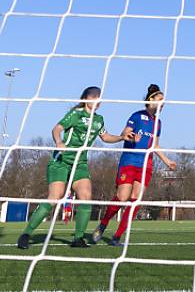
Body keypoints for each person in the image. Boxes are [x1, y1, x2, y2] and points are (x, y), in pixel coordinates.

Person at [18, 86, 134, 249]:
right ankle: (25, 234)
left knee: (86, 196)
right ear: (87, 99)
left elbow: (105, 136)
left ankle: (78, 239)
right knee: (54, 198)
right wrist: (59, 141)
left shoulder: (99, 120)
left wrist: (121, 137)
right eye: (94, 97)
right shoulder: (76, 114)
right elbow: (57, 128)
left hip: (80, 164)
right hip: (61, 162)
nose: (97, 101)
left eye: (99, 98)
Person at [92, 84, 177, 246]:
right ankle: (103, 224)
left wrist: (167, 161)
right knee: (122, 197)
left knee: (135, 200)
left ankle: (117, 237)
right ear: (150, 100)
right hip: (130, 160)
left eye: (164, 101)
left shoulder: (158, 123)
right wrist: (130, 137)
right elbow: (125, 133)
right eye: (160, 100)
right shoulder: (137, 116)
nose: (163, 103)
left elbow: (155, 145)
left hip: (146, 164)